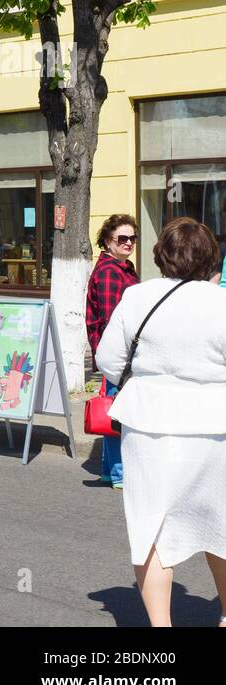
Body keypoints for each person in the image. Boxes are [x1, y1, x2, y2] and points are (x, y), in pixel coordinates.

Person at [96, 217, 226, 628]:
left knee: (150, 525)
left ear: (162, 255)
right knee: (221, 524)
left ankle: (161, 627)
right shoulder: (220, 302)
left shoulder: (137, 297)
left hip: (149, 424)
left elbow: (108, 360)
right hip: (215, 426)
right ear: (210, 257)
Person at [86, 213, 140, 489]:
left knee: (112, 409)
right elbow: (111, 320)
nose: (129, 242)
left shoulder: (122, 267)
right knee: (117, 412)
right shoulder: (109, 272)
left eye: (133, 238)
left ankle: (110, 470)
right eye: (123, 238)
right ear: (108, 241)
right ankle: (119, 473)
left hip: (118, 355)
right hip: (117, 354)